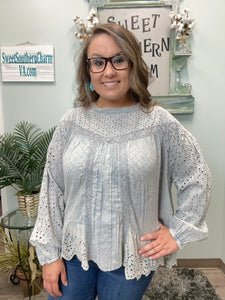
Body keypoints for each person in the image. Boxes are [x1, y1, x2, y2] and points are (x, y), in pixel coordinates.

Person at [30, 23, 211, 300]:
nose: (109, 71)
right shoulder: (71, 123)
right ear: (88, 69)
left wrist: (177, 232)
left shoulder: (158, 123)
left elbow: (196, 174)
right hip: (72, 253)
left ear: (133, 64)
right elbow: (52, 189)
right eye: (98, 62)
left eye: (119, 59)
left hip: (133, 253)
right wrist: (49, 255)